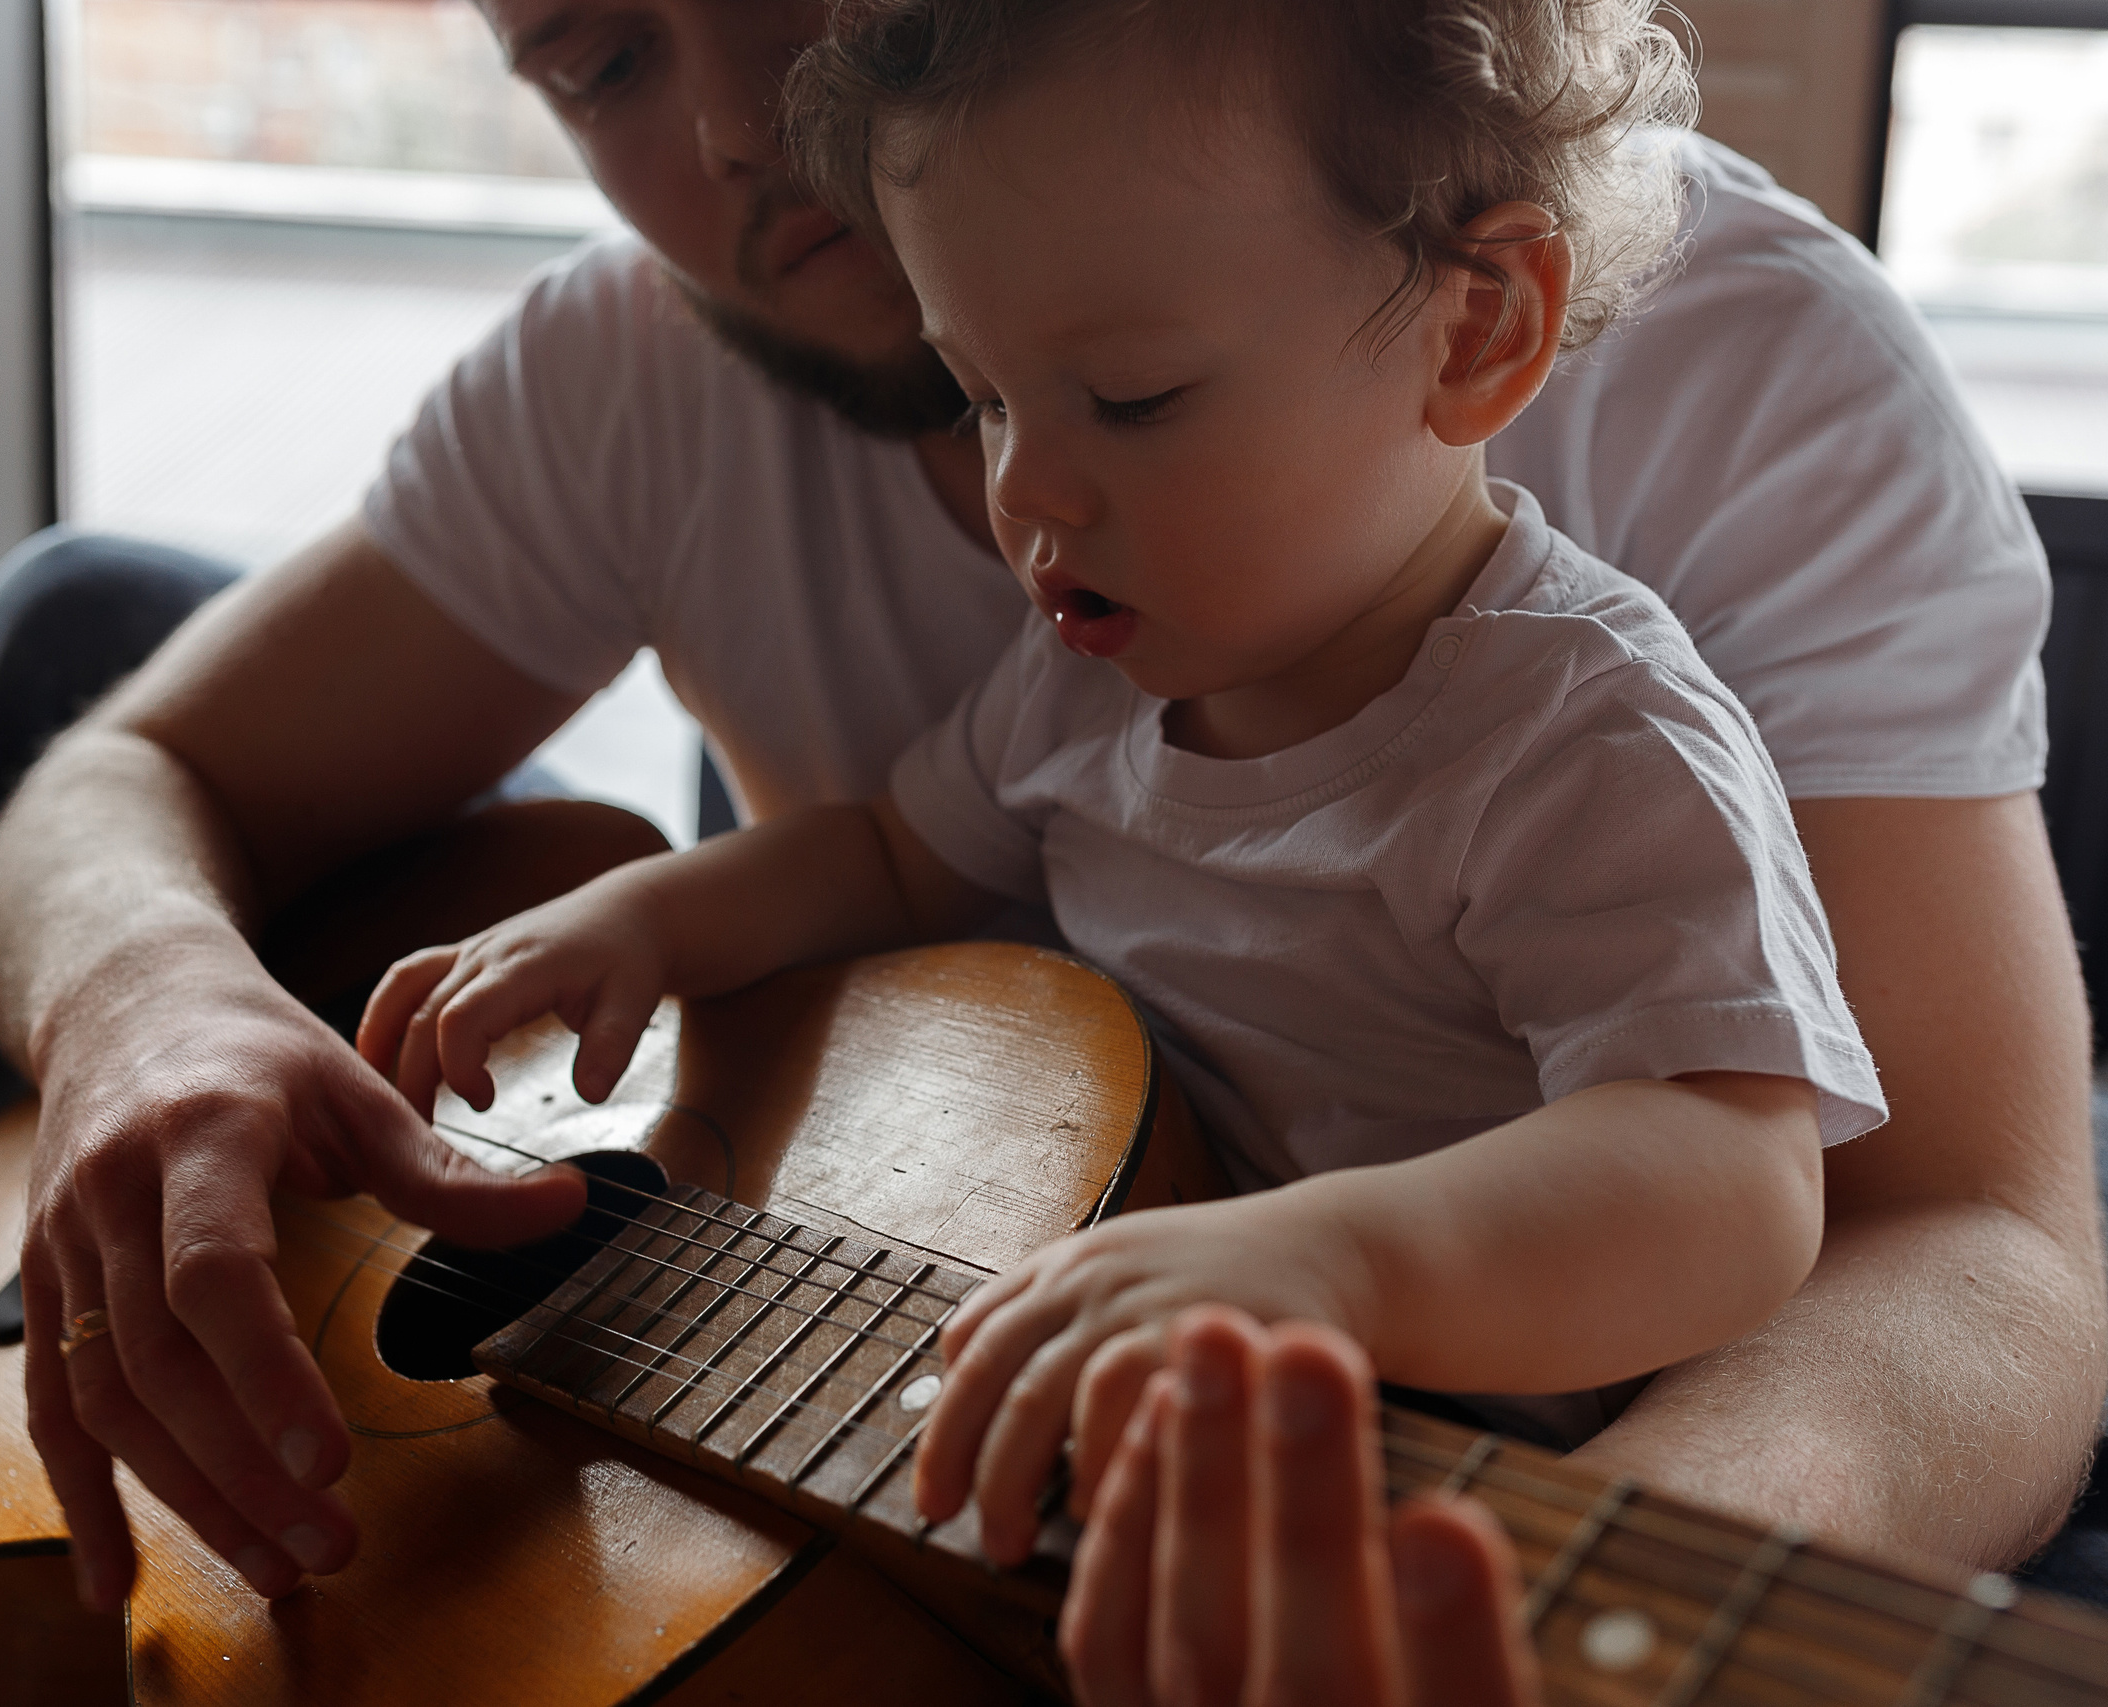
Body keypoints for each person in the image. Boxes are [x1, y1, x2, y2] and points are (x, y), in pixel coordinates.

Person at [0, 0, 2093, 1698]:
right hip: (927, 1215)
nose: (745, 136)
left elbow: (1955, 1228)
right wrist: (141, 1006)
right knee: (71, 639)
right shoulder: (670, 384)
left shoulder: (1712, 392)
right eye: (597, 59)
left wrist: (1538, 1594)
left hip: (1550, 1335)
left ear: (1470, 333)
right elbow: (162, 780)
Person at [368, 0, 1883, 1563]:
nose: (1025, 488)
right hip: (1117, 1465)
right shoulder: (1097, 672)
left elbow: (1735, 1175)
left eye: (1135, 398)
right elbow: (894, 859)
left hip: (1421, 1514)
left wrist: (1324, 1267)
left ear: (1478, 326)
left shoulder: (1583, 730)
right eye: (990, 396)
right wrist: (647, 924)